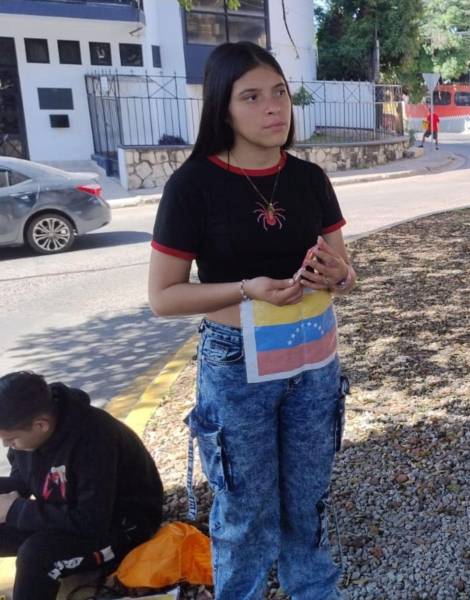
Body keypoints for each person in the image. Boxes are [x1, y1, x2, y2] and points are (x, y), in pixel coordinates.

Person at [148, 41, 356, 600]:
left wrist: (334, 273)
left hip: (315, 358)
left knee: (307, 502)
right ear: (223, 108)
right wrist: (248, 291)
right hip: (237, 363)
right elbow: (163, 298)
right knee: (244, 511)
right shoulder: (193, 185)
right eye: (253, 96)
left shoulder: (310, 178)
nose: (274, 108)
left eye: (280, 93)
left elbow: (346, 274)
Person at [0, 372, 163, 600]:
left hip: (122, 527)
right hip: (70, 515)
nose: (7, 445)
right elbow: (23, 481)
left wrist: (15, 510)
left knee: (36, 555)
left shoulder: (94, 441)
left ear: (41, 425)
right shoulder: (27, 434)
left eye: (10, 440)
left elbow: (91, 522)